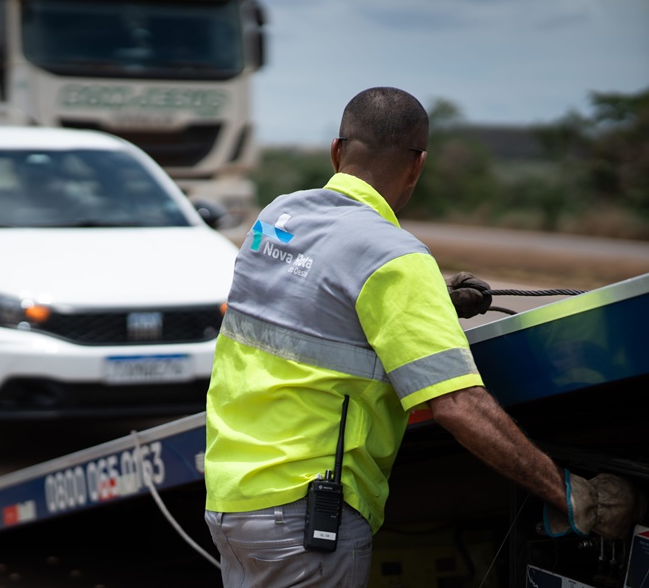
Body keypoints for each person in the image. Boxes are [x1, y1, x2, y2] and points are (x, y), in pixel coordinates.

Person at [203, 87, 636, 587]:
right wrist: (568, 496)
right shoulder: (393, 258)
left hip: (232, 497)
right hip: (304, 514)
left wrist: (427, 299)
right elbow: (458, 405)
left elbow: (309, 299)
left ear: (337, 152)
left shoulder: (279, 216)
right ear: (418, 166)